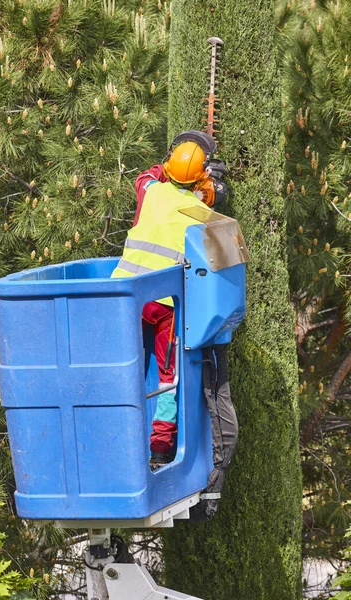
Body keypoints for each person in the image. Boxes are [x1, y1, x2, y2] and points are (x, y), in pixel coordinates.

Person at [111, 130, 223, 467]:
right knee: (166, 377)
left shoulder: (150, 191)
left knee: (119, 368)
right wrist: (211, 189)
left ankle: (115, 441)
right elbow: (212, 240)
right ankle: (159, 450)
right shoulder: (199, 211)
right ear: (200, 177)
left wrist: (171, 164)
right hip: (164, 306)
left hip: (124, 297)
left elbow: (148, 175)